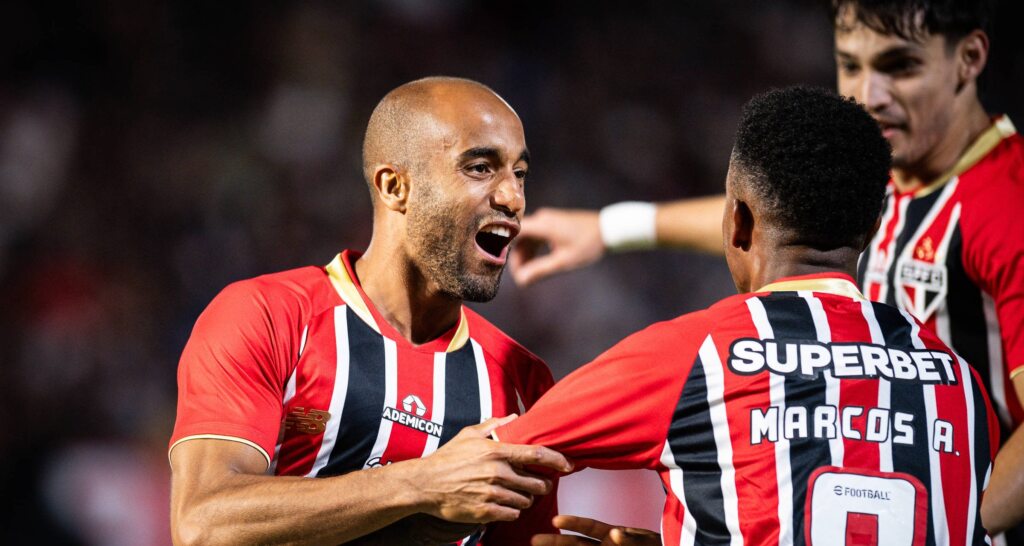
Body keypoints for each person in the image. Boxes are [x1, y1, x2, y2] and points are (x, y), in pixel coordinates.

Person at [511, 0, 1024, 539]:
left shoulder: (1007, 207)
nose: (870, 94)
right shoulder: (882, 179)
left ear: (970, 57)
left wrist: (946, 529)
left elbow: (505, 451)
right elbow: (783, 215)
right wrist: (612, 228)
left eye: (901, 66)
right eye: (850, 65)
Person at [168, 77, 573, 546]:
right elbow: (203, 524)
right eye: (481, 168)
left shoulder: (519, 383)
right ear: (395, 186)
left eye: (519, 174)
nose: (513, 198)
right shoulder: (269, 317)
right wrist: (419, 484)